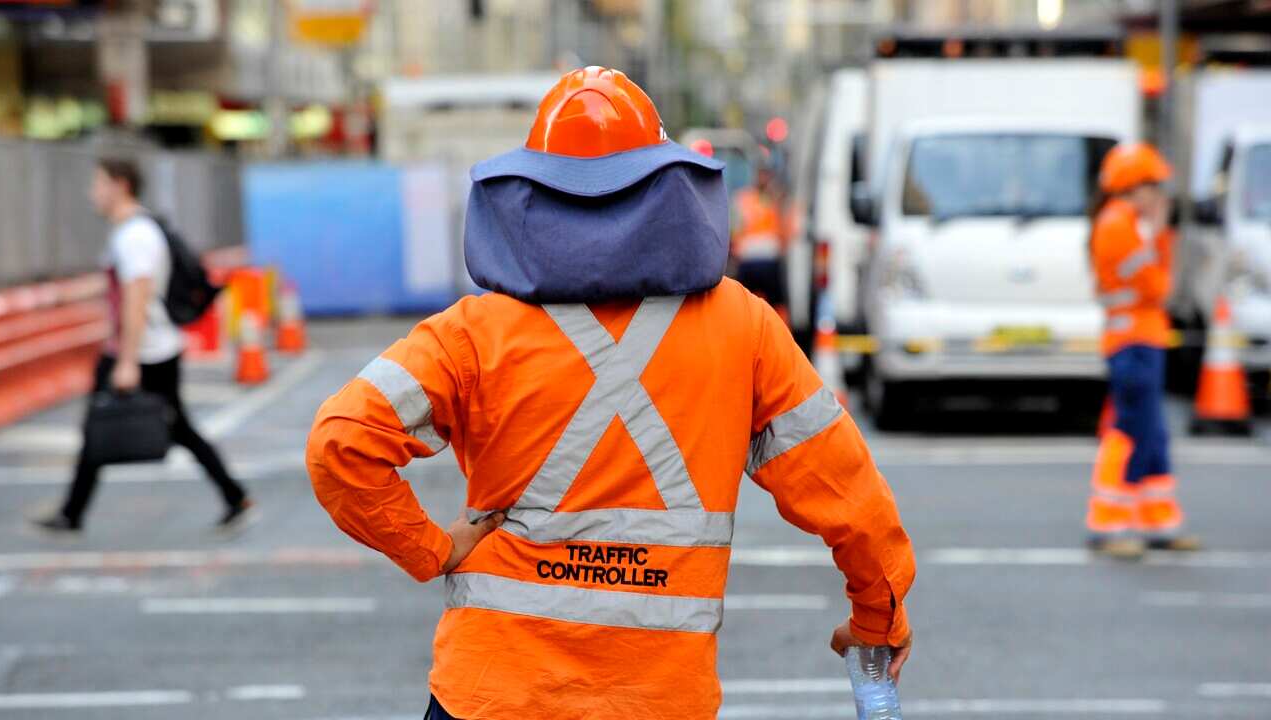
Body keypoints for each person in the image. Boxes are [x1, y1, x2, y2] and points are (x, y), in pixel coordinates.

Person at [306, 67, 914, 720]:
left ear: (528, 189)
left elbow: (341, 443)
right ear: (666, 181)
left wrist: (430, 549)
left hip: (491, 695)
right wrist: (877, 620)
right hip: (658, 702)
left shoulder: (475, 332)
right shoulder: (742, 326)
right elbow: (848, 493)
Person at [34, 157, 255, 534]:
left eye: (98, 184)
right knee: (166, 427)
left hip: (145, 350)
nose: (92, 193)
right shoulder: (133, 231)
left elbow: (137, 296)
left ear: (120, 185)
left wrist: (127, 361)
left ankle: (72, 514)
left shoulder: (135, 236)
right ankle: (234, 496)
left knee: (134, 426)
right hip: (148, 346)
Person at [1086, 142, 1199, 558]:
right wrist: (1160, 232)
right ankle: (1109, 526)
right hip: (1132, 341)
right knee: (1131, 431)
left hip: (1142, 339)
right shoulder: (1119, 224)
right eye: (1155, 186)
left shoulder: (1127, 223)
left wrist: (1159, 231)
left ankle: (1158, 523)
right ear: (1136, 186)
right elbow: (1158, 286)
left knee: (1152, 433)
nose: (1160, 195)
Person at [730, 161, 788, 312]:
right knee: (746, 303)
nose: (763, 178)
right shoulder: (745, 198)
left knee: (773, 303)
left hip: (769, 257)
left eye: (766, 175)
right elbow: (736, 226)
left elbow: (783, 225)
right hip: (749, 258)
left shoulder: (776, 198)